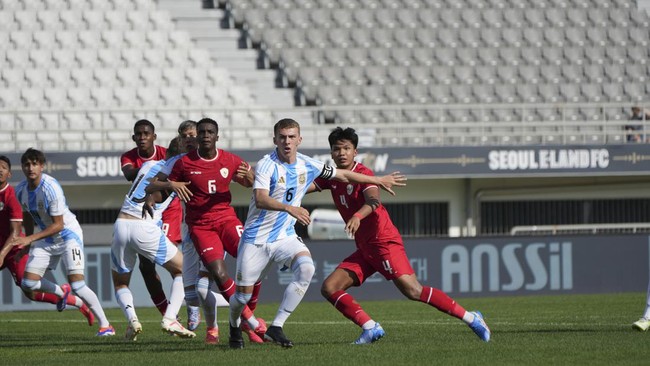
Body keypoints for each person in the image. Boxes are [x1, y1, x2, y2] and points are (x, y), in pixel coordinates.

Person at [227, 118, 406, 349]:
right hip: (255, 240)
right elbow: (261, 199)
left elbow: (343, 175)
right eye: (282, 137)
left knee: (307, 268)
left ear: (299, 140)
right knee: (241, 298)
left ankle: (276, 326)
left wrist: (377, 180)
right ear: (275, 140)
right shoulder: (266, 165)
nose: (287, 142)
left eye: (292, 137)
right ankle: (233, 326)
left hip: (284, 236)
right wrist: (290, 208)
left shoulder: (307, 164)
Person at [311, 127, 491, 345]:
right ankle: (370, 327)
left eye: (346, 148)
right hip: (366, 248)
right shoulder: (331, 177)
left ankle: (472, 318)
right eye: (337, 149)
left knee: (414, 291)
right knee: (329, 287)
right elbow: (303, 187)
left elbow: (374, 201)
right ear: (331, 153)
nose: (341, 153)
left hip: (383, 242)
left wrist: (358, 216)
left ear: (355, 151)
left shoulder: (366, 174)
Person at [149, 117, 265, 345]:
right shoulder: (183, 163)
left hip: (228, 220)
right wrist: (170, 185)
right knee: (217, 276)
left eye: (209, 132)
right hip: (201, 227)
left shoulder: (229, 160)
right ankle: (249, 321)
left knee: (253, 262)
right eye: (201, 132)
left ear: (217, 136)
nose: (205, 135)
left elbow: (251, 182)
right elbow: (153, 185)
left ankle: (243, 318)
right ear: (196, 136)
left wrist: (251, 178)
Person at [9, 148, 114, 336]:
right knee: (28, 284)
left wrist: (30, 239)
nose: (31, 167)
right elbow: (27, 215)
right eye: (27, 164)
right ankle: (61, 291)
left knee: (78, 286)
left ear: (42, 166)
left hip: (67, 235)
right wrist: (27, 246)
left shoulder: (51, 187)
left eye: (35, 163)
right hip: (46, 238)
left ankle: (106, 325)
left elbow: (58, 225)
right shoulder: (21, 190)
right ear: (22, 168)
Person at [112, 137, 196, 341]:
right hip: (143, 226)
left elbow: (146, 183)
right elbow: (156, 192)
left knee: (121, 283)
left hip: (121, 224)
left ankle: (132, 321)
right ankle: (170, 318)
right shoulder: (174, 175)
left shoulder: (149, 164)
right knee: (183, 270)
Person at [0, 156, 95, 325]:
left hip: (13, 249)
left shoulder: (12, 195)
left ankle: (75, 300)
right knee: (29, 290)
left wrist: (4, 254)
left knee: (28, 288)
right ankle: (73, 300)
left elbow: (15, 232)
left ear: (9, 173)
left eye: (3, 167)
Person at [120, 119, 171, 315]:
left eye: (146, 134)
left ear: (154, 137)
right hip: (144, 213)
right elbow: (129, 174)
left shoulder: (165, 153)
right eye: (139, 134)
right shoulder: (128, 157)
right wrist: (155, 169)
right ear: (134, 137)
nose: (142, 138)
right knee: (146, 267)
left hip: (168, 210)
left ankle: (190, 306)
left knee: (176, 264)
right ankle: (167, 312)